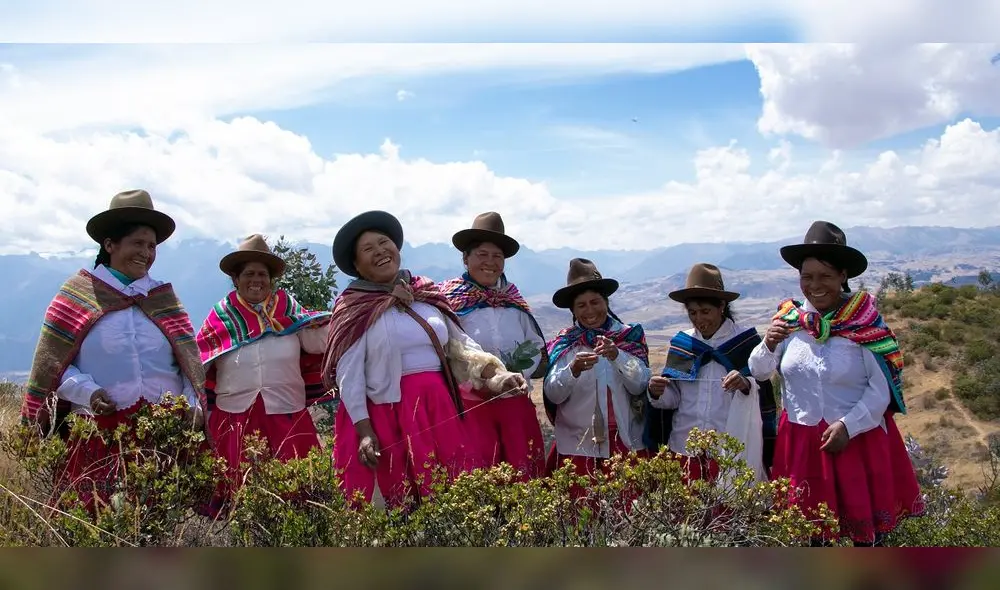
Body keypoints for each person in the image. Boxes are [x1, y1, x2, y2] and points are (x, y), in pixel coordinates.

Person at [321, 210, 529, 509]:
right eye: (368, 249)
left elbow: (460, 345)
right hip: (385, 414)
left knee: (450, 495)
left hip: (438, 408)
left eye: (384, 243)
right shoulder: (354, 306)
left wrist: (497, 376)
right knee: (400, 501)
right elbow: (348, 372)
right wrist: (364, 430)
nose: (380, 251)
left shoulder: (424, 292)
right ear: (356, 264)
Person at [20, 189, 206, 509]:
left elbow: (189, 365)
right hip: (97, 433)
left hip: (161, 436)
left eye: (151, 246)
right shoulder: (77, 297)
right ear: (110, 245)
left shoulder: (164, 299)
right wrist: (87, 392)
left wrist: (192, 405)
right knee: (95, 518)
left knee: (158, 523)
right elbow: (53, 366)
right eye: (137, 243)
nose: (146, 253)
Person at [748, 220, 924, 546]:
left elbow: (880, 388)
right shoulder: (788, 321)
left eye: (825, 276)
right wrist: (768, 344)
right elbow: (759, 372)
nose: (815, 285)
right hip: (800, 444)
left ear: (843, 276)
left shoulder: (864, 322)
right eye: (807, 277)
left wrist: (849, 426)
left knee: (865, 542)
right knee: (811, 539)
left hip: (856, 443)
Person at [195, 234, 332, 503]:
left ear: (271, 279)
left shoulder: (288, 309)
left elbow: (316, 342)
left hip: (287, 413)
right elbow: (201, 360)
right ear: (235, 279)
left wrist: (346, 323)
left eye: (262, 274)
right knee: (236, 496)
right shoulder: (221, 316)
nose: (256, 280)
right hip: (233, 418)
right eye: (248, 274)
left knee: (296, 496)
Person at [439, 212, 547, 479]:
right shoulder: (449, 302)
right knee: (478, 477)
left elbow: (535, 345)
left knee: (524, 476)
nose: (490, 262)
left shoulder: (514, 302)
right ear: (466, 258)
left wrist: (518, 372)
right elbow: (448, 351)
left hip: (515, 403)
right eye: (482, 255)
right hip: (469, 407)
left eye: (497, 256)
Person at [646, 263, 775, 483]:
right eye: (692, 313)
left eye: (705, 311)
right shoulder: (683, 344)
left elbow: (761, 395)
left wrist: (745, 384)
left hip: (730, 451)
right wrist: (656, 392)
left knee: (728, 515)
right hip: (684, 448)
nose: (698, 319)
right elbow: (674, 399)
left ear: (722, 306)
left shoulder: (745, 343)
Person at [542, 258, 651, 481]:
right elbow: (553, 393)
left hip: (627, 445)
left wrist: (617, 356)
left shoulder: (627, 337)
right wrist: (572, 370)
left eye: (595, 302)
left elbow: (640, 384)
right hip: (577, 448)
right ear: (573, 310)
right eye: (581, 305)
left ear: (606, 302)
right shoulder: (566, 344)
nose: (590, 310)